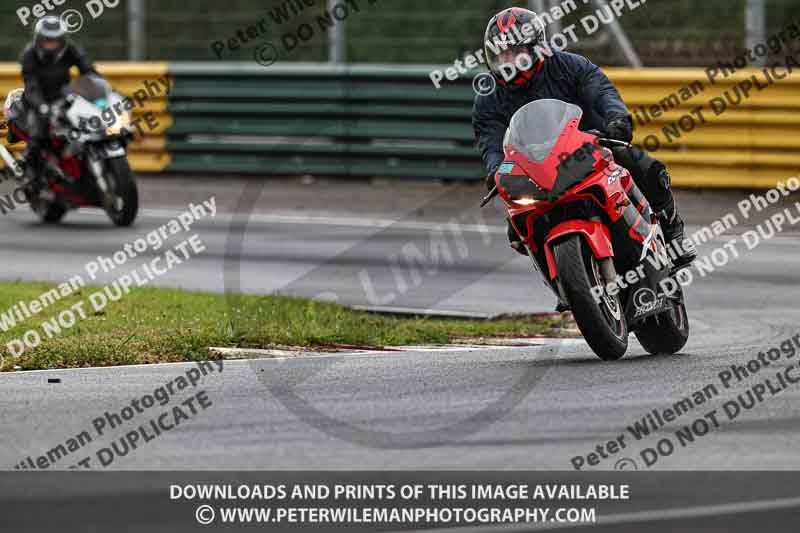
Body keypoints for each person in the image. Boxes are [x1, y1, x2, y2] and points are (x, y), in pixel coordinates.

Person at [472, 7, 696, 267]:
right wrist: (496, 167)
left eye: (515, 53)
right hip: (535, 167)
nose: (507, 62)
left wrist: (616, 121)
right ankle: (561, 277)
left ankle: (672, 232)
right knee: (517, 226)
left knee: (646, 168)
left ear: (535, 48)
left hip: (590, 145)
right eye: (501, 56)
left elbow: (601, 90)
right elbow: (490, 138)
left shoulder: (568, 65)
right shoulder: (488, 98)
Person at [18, 16, 97, 188]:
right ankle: (30, 171)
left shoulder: (71, 50)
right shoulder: (29, 55)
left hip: (64, 98)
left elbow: (88, 69)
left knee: (87, 123)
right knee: (39, 132)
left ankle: (79, 167)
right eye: (47, 40)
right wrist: (42, 107)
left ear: (62, 39)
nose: (51, 44)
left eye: (55, 40)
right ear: (38, 39)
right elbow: (31, 86)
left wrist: (102, 87)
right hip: (37, 100)